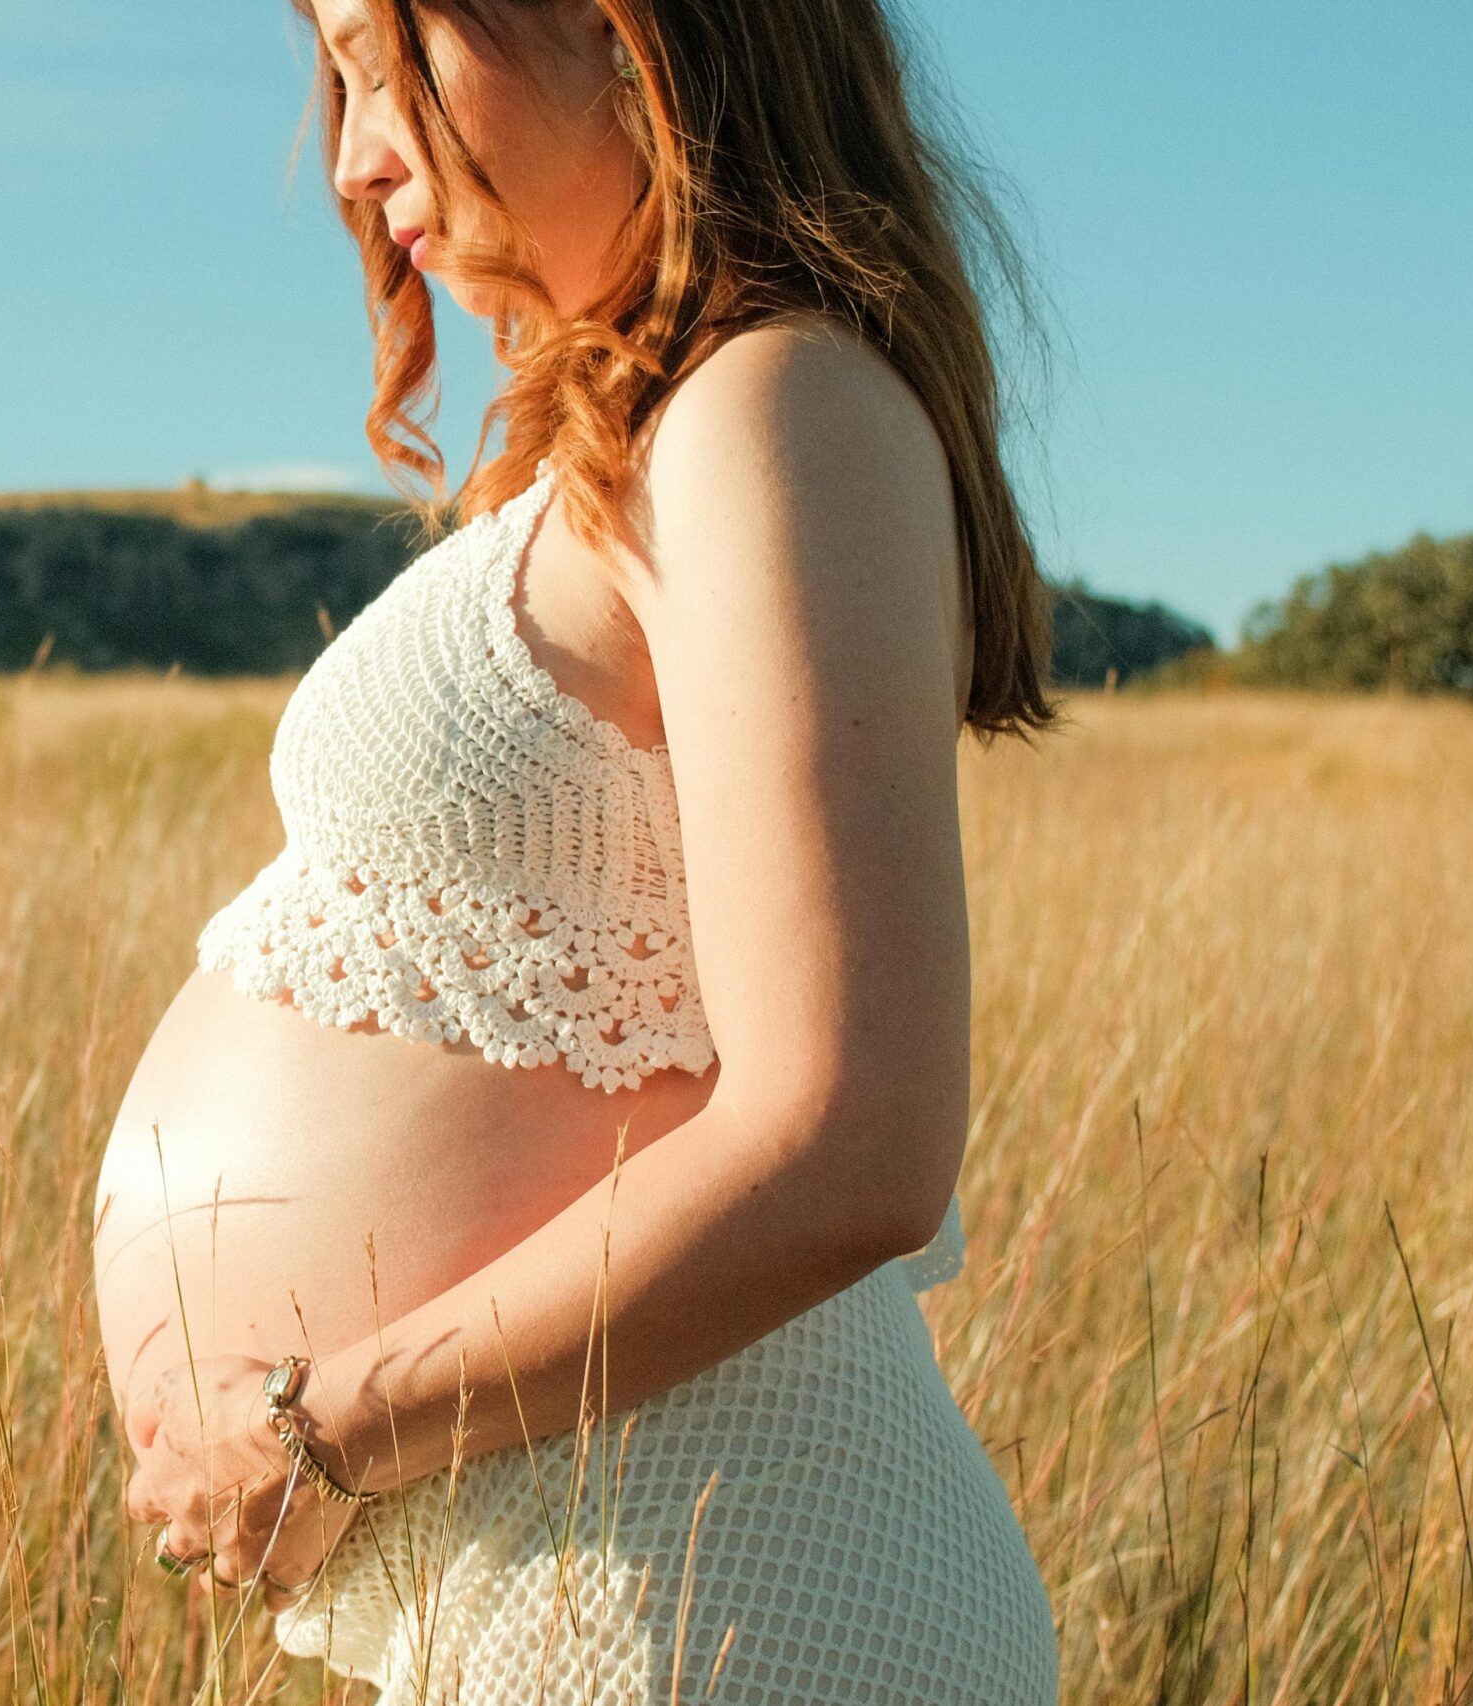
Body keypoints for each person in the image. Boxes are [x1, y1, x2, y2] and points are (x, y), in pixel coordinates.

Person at [91, 1, 1066, 1699]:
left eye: (389, 65)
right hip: (620, 1568)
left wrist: (333, 1428)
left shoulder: (776, 404)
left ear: (631, 31)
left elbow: (855, 1133)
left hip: (723, 1577)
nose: (353, 153)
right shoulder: (670, 429)